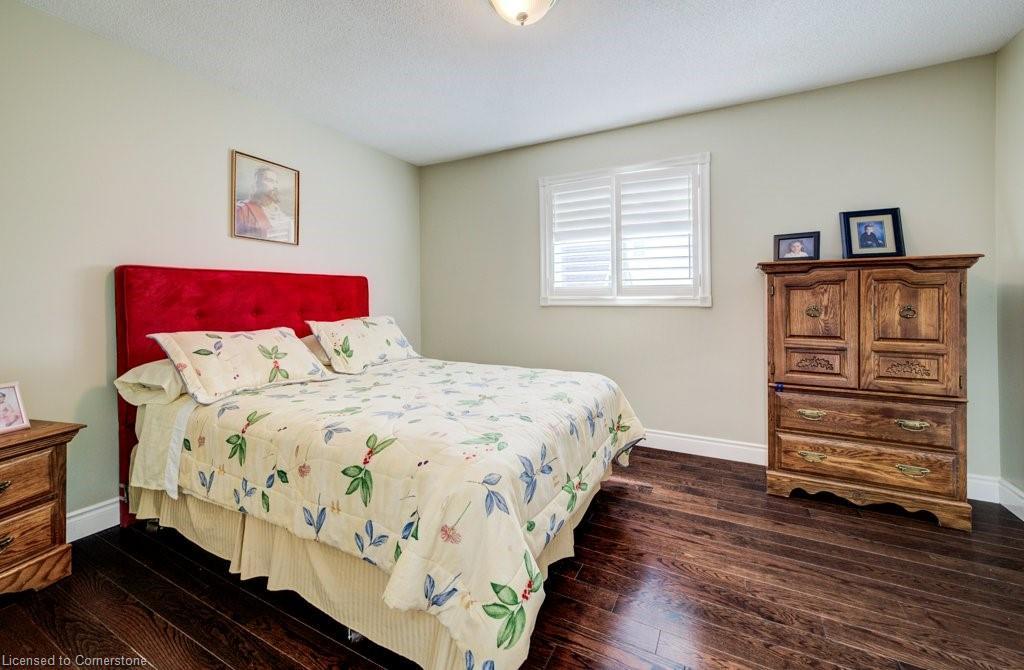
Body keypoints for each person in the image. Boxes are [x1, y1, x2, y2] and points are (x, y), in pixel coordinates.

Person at [235, 166, 294, 241]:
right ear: (257, 184)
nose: (274, 186)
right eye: (269, 180)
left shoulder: (281, 214)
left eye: (275, 182)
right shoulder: (242, 210)